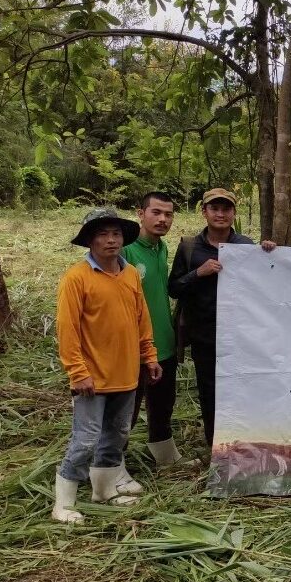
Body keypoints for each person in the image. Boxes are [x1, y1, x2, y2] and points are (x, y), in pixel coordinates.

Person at [53, 209, 161, 523]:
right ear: (89, 240)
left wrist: (149, 356)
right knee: (85, 439)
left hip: (126, 374)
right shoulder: (77, 277)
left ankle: (104, 490)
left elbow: (142, 321)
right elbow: (67, 328)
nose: (110, 240)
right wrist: (77, 371)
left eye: (115, 233)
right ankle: (63, 503)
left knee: (116, 435)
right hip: (91, 377)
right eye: (102, 234)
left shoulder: (130, 275)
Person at [168, 188, 274, 447]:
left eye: (226, 209)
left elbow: (266, 283)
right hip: (205, 335)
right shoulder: (189, 248)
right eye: (214, 208)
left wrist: (269, 253)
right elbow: (173, 288)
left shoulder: (246, 246)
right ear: (204, 212)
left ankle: (245, 441)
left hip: (243, 335)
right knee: (210, 391)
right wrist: (198, 273)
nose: (220, 214)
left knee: (244, 387)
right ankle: (217, 446)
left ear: (233, 213)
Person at [122, 191, 187, 472]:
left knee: (163, 405)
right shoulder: (124, 249)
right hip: (134, 347)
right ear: (140, 213)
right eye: (156, 212)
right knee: (127, 411)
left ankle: (165, 456)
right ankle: (112, 465)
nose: (163, 219)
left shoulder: (161, 248)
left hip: (164, 343)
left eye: (168, 214)